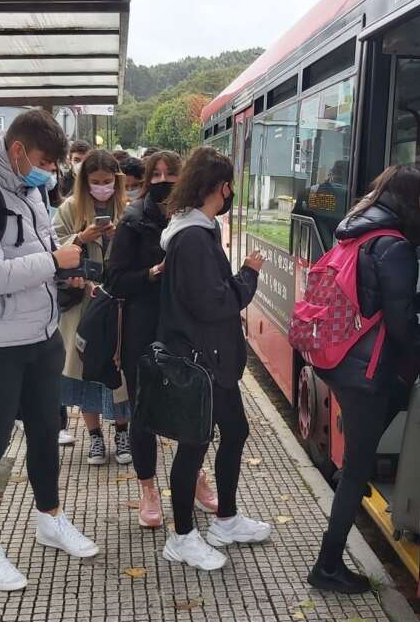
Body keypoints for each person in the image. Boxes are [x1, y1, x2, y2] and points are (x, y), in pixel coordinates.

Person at [0, 109, 99, 592]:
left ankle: (49, 518)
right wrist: (54, 259)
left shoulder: (29, 190)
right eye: (45, 162)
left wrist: (66, 263)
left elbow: (40, 247)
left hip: (40, 333)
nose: (50, 173)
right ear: (17, 151)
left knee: (43, 432)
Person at [308, 165, 420, 594]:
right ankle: (327, 566)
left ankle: (345, 478)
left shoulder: (355, 234)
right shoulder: (394, 246)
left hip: (342, 359)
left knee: (366, 443)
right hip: (367, 369)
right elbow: (398, 322)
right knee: (359, 466)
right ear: (410, 199)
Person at [156, 146, 271, 571]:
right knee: (194, 445)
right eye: (229, 188)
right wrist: (249, 274)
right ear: (220, 188)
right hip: (200, 360)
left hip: (211, 359)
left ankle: (225, 518)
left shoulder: (194, 231)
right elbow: (214, 302)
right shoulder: (193, 239)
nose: (230, 195)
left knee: (235, 431)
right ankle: (182, 536)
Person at [106, 150, 219, 529]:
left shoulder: (199, 221)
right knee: (143, 412)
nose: (163, 180)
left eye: (172, 173)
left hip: (185, 331)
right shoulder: (134, 221)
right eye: (155, 174)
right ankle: (148, 488)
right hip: (144, 328)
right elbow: (114, 280)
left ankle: (195, 477)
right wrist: (153, 273)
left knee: (191, 407)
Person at [52, 149, 132, 466]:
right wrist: (80, 237)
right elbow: (52, 247)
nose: (102, 187)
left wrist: (120, 235)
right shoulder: (70, 208)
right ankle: (95, 437)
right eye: (95, 181)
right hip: (82, 303)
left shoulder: (126, 209)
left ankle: (123, 433)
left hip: (118, 303)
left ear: (117, 181)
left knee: (118, 368)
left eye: (107, 181)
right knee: (85, 368)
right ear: (85, 181)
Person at [51, 139, 91, 206]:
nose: (81, 164)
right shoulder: (61, 183)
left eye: (85, 161)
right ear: (70, 161)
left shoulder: (95, 182)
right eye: (77, 160)